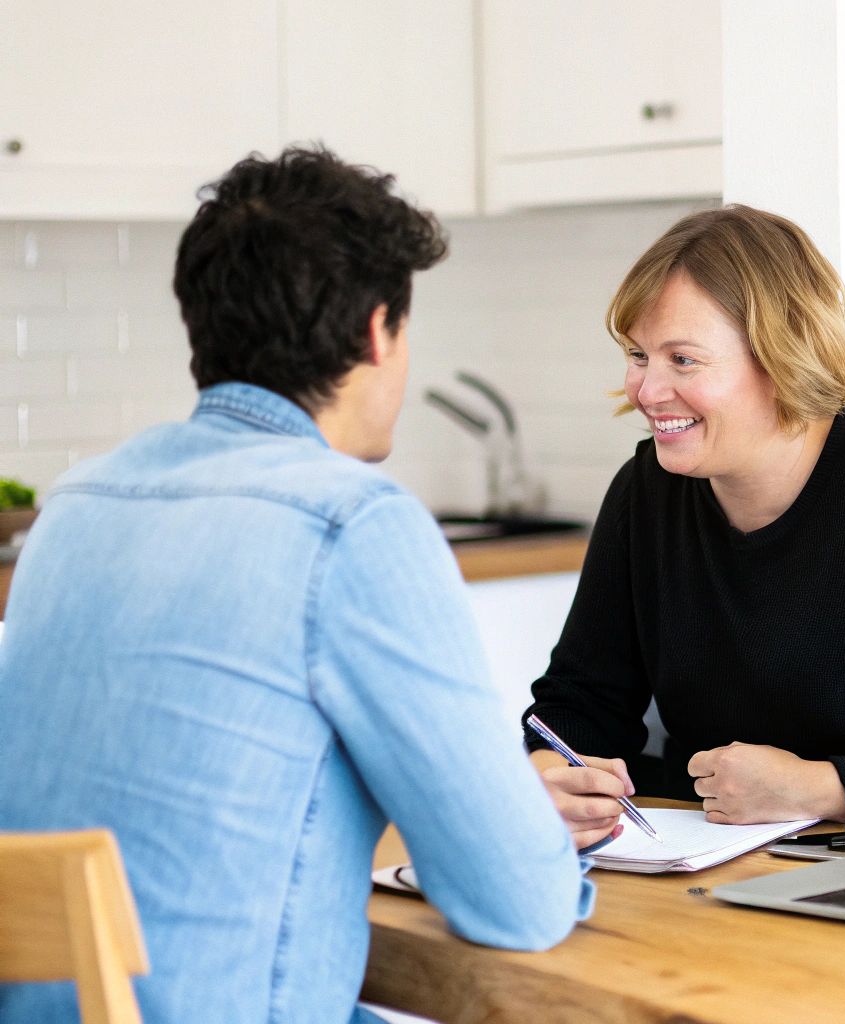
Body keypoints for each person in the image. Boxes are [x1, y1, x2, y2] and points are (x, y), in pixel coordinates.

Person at [0, 146, 599, 1024]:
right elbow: (517, 904)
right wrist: (516, 833)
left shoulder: (79, 504)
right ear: (376, 334)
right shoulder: (352, 524)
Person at [523, 205, 845, 834]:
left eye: (683, 360)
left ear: (781, 357)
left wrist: (822, 787)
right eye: (638, 355)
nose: (646, 391)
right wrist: (552, 774)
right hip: (704, 863)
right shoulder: (644, 494)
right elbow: (581, 703)